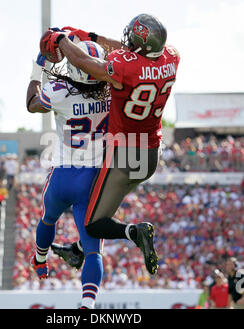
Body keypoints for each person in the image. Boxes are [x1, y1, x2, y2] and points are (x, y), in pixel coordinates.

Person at [45, 13, 180, 275]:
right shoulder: (172, 57)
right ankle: (77, 251)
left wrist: (61, 40)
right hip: (150, 154)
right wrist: (91, 37)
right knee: (102, 205)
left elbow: (83, 61)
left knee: (93, 223)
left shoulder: (124, 66)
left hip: (124, 155)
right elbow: (131, 55)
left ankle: (135, 232)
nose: (126, 40)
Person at [26, 40, 110, 309]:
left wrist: (38, 67)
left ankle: (40, 259)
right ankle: (88, 303)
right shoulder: (112, 91)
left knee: (48, 219)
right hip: (92, 180)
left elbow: (31, 104)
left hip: (63, 174)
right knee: (93, 249)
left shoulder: (59, 90)